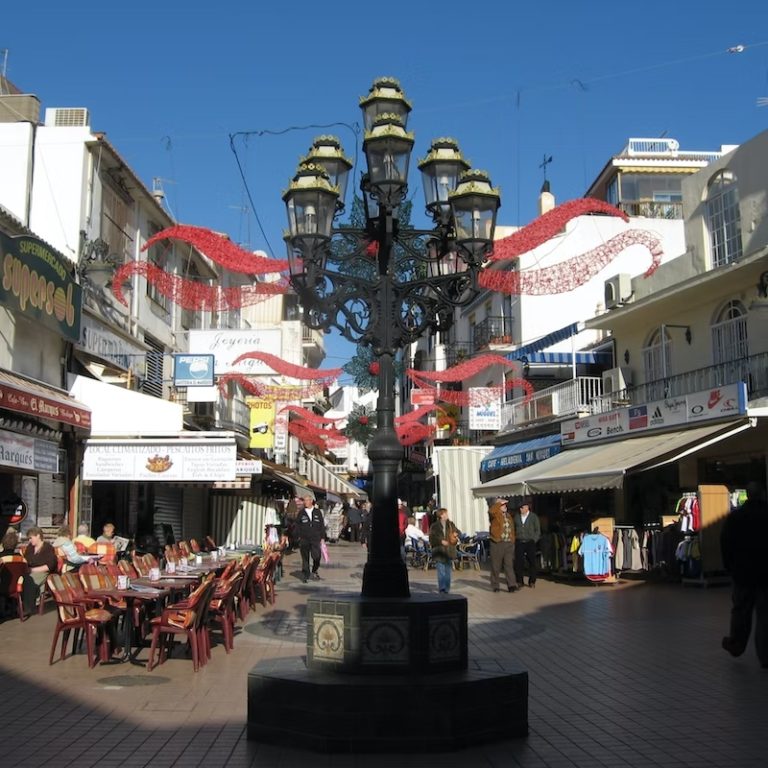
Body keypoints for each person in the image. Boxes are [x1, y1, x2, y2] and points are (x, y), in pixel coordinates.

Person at [720, 481, 768, 668]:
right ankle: (765, 655)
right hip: (766, 574)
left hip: (742, 573)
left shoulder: (736, 517)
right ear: (763, 494)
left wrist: (729, 566)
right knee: (765, 615)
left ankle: (736, 645)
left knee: (741, 610)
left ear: (747, 495)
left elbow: (725, 542)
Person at [295, 494, 327, 583]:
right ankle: (305, 575)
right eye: (304, 500)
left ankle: (314, 569)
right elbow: (297, 525)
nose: (305, 502)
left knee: (316, 556)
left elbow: (322, 525)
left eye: (307, 500)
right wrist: (297, 536)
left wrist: (322, 537)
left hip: (315, 538)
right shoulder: (301, 512)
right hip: (304, 538)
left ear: (311, 501)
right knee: (305, 558)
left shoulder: (317, 512)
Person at [488, 498, 517, 593]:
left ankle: (511, 585)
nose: (505, 506)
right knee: (496, 566)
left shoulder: (508, 516)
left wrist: (512, 540)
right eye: (503, 505)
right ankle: (495, 585)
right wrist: (498, 503)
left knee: (509, 564)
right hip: (497, 542)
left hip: (508, 543)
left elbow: (512, 528)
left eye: (505, 505)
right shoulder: (495, 515)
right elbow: (491, 511)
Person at [429, 507, 459, 594]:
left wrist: (456, 533)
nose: (447, 515)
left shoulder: (451, 524)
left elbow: (458, 532)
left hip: (449, 551)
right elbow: (431, 538)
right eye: (445, 513)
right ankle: (442, 588)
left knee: (448, 572)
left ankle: (447, 588)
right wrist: (440, 541)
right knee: (441, 571)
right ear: (441, 515)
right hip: (439, 551)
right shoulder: (434, 526)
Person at [23, 527, 58, 599]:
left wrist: (32, 570)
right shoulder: (30, 548)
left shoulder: (47, 548)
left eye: (31, 538)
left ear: (38, 536)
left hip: (43, 572)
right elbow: (25, 560)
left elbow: (50, 566)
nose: (29, 540)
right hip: (29, 571)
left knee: (29, 581)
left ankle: (28, 607)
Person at [514, 499, 541, 588]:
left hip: (530, 542)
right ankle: (519, 581)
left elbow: (537, 530)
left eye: (522, 508)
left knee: (532, 562)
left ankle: (532, 581)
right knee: (519, 562)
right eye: (520, 508)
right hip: (519, 541)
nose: (521, 509)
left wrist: (534, 539)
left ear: (526, 507)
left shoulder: (533, 517)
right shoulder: (517, 517)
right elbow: (514, 529)